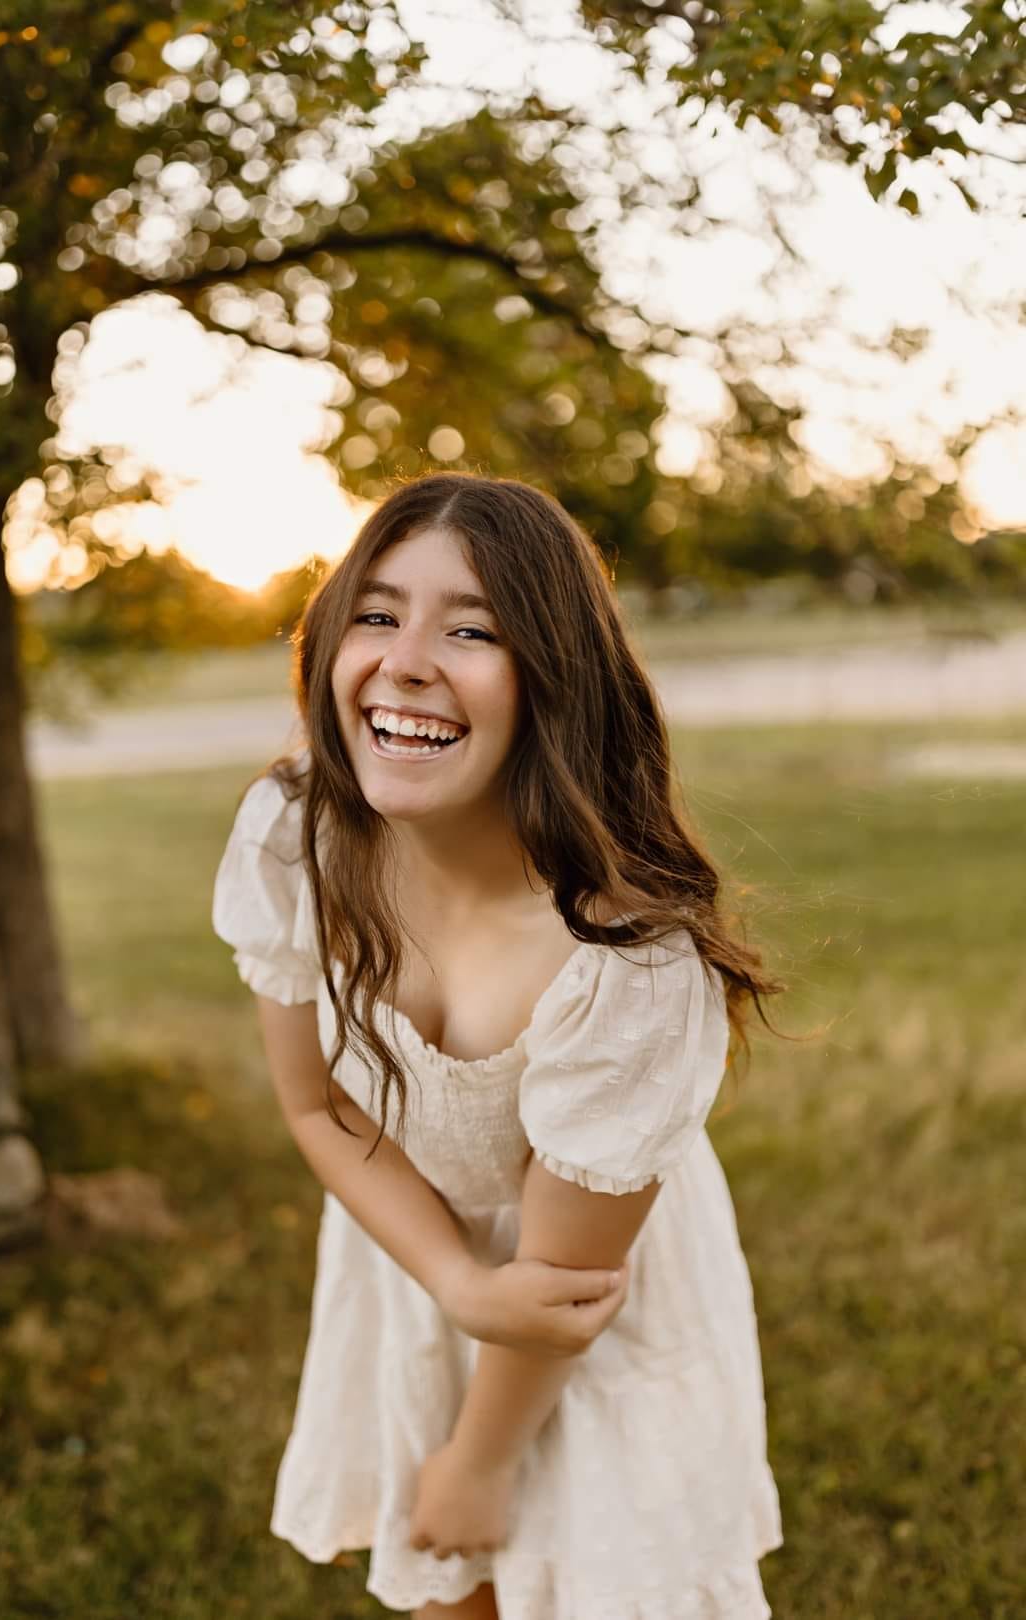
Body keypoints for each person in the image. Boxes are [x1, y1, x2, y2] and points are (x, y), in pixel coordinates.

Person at [212, 472, 785, 1620]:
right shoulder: (297, 836)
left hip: (591, 1314)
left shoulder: (626, 963)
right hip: (415, 1254)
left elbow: (562, 1292)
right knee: (446, 1598)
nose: (408, 658)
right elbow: (322, 1110)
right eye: (375, 614)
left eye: (471, 628)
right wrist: (457, 1283)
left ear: (553, 680)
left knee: (594, 1584)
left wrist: (477, 1460)